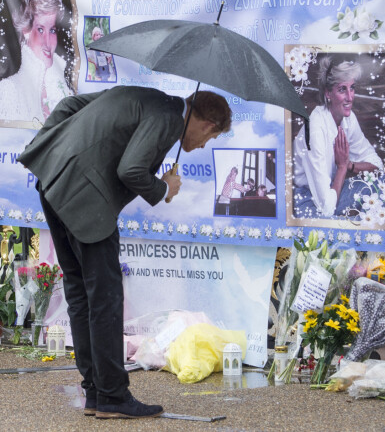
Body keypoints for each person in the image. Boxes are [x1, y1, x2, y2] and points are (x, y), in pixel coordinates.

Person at [17, 87, 231, 419]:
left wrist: (55, 148)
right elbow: (130, 170)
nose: (204, 145)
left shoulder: (143, 98)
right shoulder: (168, 118)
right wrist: (164, 188)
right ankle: (113, 397)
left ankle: (95, 393)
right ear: (206, 123)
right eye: (211, 137)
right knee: (105, 297)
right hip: (85, 201)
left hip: (54, 183)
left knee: (81, 293)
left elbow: (70, 105)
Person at [293, 56, 383, 219]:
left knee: (380, 185)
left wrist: (349, 165)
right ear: (328, 93)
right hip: (305, 199)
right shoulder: (316, 129)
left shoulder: (348, 118)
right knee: (334, 222)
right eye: (342, 89)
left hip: (330, 193)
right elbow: (326, 208)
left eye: (352, 88)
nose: (350, 97)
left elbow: (377, 164)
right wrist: (342, 167)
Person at [0, 0, 73, 123]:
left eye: (52, 30)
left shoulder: (64, 91)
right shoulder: (7, 91)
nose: (47, 42)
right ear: (26, 31)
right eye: (40, 29)